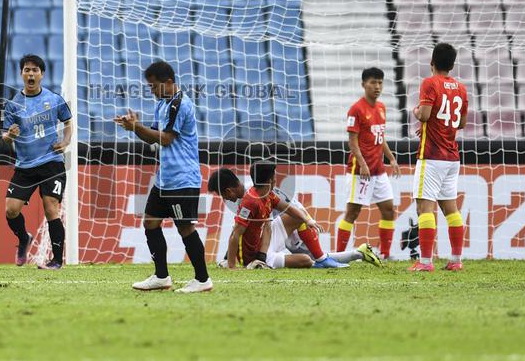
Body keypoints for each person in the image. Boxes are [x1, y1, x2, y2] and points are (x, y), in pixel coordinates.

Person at [115, 61, 211, 293]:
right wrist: (135, 127)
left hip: (183, 178)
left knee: (184, 228)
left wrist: (137, 127)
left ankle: (202, 279)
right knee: (150, 222)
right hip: (165, 178)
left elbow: (166, 139)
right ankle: (161, 277)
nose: (152, 91)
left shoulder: (179, 104)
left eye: (154, 86)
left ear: (168, 82)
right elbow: (153, 138)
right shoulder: (162, 103)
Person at [207, 166, 378, 270]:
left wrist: (307, 221)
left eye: (222, 194)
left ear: (228, 190)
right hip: (276, 229)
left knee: (314, 259)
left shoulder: (256, 193)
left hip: (294, 227)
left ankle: (351, 254)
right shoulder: (251, 193)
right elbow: (240, 231)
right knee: (312, 260)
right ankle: (359, 253)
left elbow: (287, 207)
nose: (224, 199)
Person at [2, 54, 73, 269]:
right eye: (26, 70)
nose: (30, 74)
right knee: (11, 210)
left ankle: (57, 260)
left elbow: (68, 121)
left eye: (35, 70)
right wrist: (10, 136)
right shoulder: (13, 105)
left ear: (41, 74)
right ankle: (24, 238)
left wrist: (66, 141)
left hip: (51, 162)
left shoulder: (53, 99)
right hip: (25, 166)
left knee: (51, 207)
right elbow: (5, 136)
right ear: (21, 74)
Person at [412, 42, 468, 272]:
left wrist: (415, 112)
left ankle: (425, 262)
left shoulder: (429, 83)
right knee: (450, 208)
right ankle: (456, 260)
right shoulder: (461, 88)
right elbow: (461, 123)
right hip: (452, 157)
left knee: (424, 208)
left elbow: (424, 115)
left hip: (432, 156)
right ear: (452, 65)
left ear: (431, 62)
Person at [336, 67, 400, 258]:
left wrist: (391, 158)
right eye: (373, 82)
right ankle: (338, 256)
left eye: (380, 82)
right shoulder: (356, 109)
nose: (377, 86)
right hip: (360, 171)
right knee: (353, 213)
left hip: (378, 170)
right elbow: (352, 142)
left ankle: (385, 254)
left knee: (389, 210)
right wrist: (362, 163)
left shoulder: (381, 108)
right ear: (363, 84)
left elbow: (380, 137)